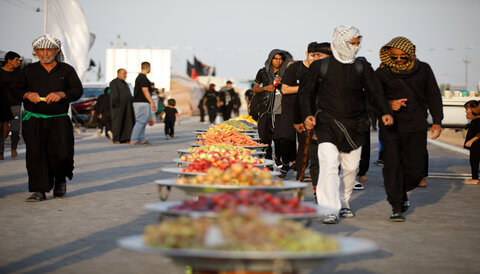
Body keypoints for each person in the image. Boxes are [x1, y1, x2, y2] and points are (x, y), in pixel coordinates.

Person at [299, 26, 393, 224]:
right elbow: (306, 92)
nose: (357, 46)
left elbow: (375, 92)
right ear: (341, 41)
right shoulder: (321, 66)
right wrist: (307, 115)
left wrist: (385, 111)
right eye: (353, 42)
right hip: (326, 122)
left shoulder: (362, 67)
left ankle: (344, 201)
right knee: (329, 165)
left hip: (355, 125)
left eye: (358, 42)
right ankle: (329, 208)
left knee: (351, 169)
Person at [376, 36, 443, 222]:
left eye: (402, 57)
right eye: (394, 57)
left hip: (417, 125)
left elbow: (434, 95)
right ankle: (396, 206)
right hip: (391, 127)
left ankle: (401, 192)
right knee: (392, 166)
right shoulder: (381, 73)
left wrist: (437, 121)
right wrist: (389, 104)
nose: (398, 60)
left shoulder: (424, 69)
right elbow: (372, 98)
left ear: (411, 54)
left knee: (415, 170)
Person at [14, 34, 83, 201]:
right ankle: (39, 189)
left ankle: (60, 180)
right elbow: (15, 91)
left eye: (49, 49)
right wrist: (27, 94)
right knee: (36, 154)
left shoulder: (67, 70)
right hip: (34, 120)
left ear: (56, 51)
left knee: (62, 153)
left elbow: (77, 91)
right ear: (36, 52)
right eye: (41, 50)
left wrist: (62, 94)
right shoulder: (28, 70)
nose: (45, 53)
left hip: (59, 119)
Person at [282, 42, 331, 181]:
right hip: (307, 114)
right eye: (313, 55)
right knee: (302, 144)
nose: (315, 59)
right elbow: (299, 97)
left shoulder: (337, 72)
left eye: (318, 55)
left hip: (331, 118)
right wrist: (298, 119)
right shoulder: (300, 71)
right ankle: (302, 173)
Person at [252, 49, 292, 160]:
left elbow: (290, 88)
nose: (278, 61)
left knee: (280, 138)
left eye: (280, 59)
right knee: (264, 138)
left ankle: (279, 159)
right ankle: (267, 160)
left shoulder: (287, 72)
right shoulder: (262, 72)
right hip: (265, 109)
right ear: (271, 59)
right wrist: (265, 88)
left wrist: (282, 83)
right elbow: (255, 88)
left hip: (281, 111)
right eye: (275, 58)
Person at [0, 51, 22, 159]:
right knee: (1, 130)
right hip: (2, 105)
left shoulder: (19, 73)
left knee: (16, 129)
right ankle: (1, 152)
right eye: (16, 60)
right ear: (9, 60)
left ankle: (14, 147)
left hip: (15, 105)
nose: (18, 62)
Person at [130, 61, 156, 146]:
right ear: (148, 68)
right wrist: (152, 102)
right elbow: (145, 91)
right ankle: (134, 139)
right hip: (141, 102)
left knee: (143, 121)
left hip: (140, 102)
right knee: (140, 121)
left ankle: (141, 139)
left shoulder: (140, 77)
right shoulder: (143, 78)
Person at [109, 68, 135, 144]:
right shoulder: (114, 83)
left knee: (128, 122)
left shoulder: (125, 83)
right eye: (124, 73)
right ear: (118, 74)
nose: (125, 75)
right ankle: (116, 138)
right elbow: (114, 95)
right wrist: (115, 104)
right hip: (118, 106)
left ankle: (126, 138)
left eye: (126, 73)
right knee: (118, 122)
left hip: (127, 106)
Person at [464, 100, 480, 185]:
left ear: (474, 109)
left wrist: (471, 141)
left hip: (477, 144)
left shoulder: (478, 120)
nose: (466, 111)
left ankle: (475, 179)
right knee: (474, 160)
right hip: (475, 145)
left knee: (474, 160)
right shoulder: (475, 120)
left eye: (467, 109)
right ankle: (474, 178)